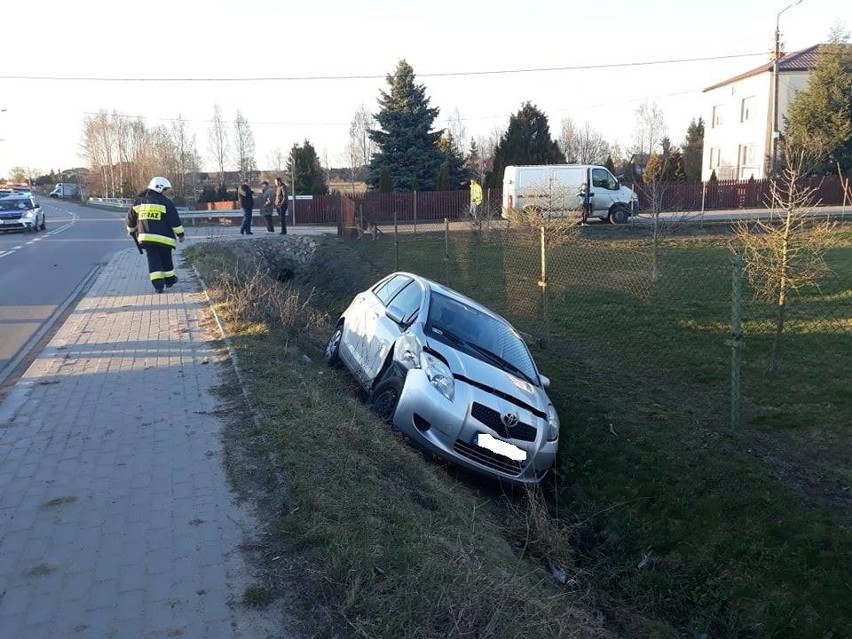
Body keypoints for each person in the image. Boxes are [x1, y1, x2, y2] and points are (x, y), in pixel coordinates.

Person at [125, 177, 186, 294]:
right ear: (159, 188)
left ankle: (158, 285)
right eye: (166, 190)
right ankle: (169, 280)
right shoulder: (166, 203)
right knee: (166, 258)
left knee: (153, 260)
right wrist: (180, 234)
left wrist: (131, 230)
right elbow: (175, 221)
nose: (167, 194)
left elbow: (130, 219)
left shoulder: (139, 201)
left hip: (146, 238)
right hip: (165, 239)